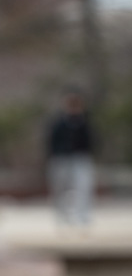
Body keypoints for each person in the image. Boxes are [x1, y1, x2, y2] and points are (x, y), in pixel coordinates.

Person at [47, 90, 96, 226]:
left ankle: (83, 216)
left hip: (80, 158)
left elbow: (92, 141)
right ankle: (61, 216)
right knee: (60, 188)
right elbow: (51, 141)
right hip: (61, 159)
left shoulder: (85, 122)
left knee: (83, 186)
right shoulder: (58, 123)